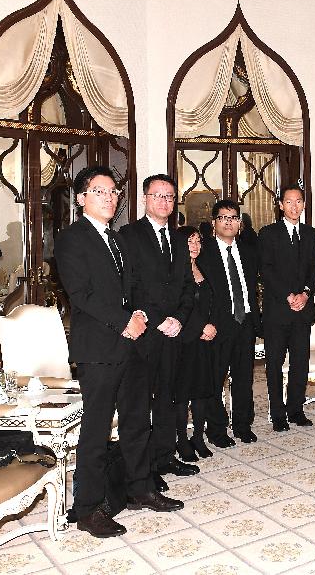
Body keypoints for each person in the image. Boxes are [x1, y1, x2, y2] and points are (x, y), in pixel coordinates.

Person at [54, 166, 182, 539]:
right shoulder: (72, 238)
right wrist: (123, 321)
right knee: (95, 430)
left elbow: (131, 290)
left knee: (136, 420)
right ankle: (88, 508)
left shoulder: (117, 239)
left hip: (132, 343)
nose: (110, 198)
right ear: (81, 198)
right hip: (98, 348)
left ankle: (140, 487)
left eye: (113, 192)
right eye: (100, 191)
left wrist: (139, 315)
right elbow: (81, 294)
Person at [119, 174, 197, 490]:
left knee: (169, 396)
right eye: (158, 196)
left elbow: (188, 287)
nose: (164, 202)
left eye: (169, 197)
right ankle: (145, 467)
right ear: (145, 199)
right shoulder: (129, 235)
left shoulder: (180, 240)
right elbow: (129, 288)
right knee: (142, 403)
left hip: (173, 332)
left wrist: (178, 318)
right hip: (145, 333)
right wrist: (156, 318)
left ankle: (165, 456)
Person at [197, 200, 261, 445]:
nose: (229, 222)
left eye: (233, 218)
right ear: (214, 223)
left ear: (240, 223)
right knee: (215, 379)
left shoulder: (248, 250)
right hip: (218, 325)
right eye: (223, 218)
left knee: (244, 377)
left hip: (244, 322)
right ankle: (217, 430)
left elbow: (251, 287)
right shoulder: (204, 252)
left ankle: (243, 425)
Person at [258, 184, 315, 432]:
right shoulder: (268, 233)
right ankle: (278, 414)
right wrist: (288, 296)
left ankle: (296, 409)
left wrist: (305, 294)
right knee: (274, 364)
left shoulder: (311, 234)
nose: (294, 206)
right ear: (280, 205)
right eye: (289, 202)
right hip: (278, 310)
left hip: (303, 309)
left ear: (303, 205)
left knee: (300, 362)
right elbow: (266, 270)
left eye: (298, 202)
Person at [174, 226, 217, 461]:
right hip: (184, 340)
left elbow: (212, 302)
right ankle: (181, 440)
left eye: (198, 241)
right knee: (182, 394)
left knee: (201, 391)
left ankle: (198, 437)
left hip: (205, 341)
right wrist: (200, 328)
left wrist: (212, 326)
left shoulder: (203, 268)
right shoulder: (175, 272)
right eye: (190, 241)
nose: (195, 245)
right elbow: (178, 308)